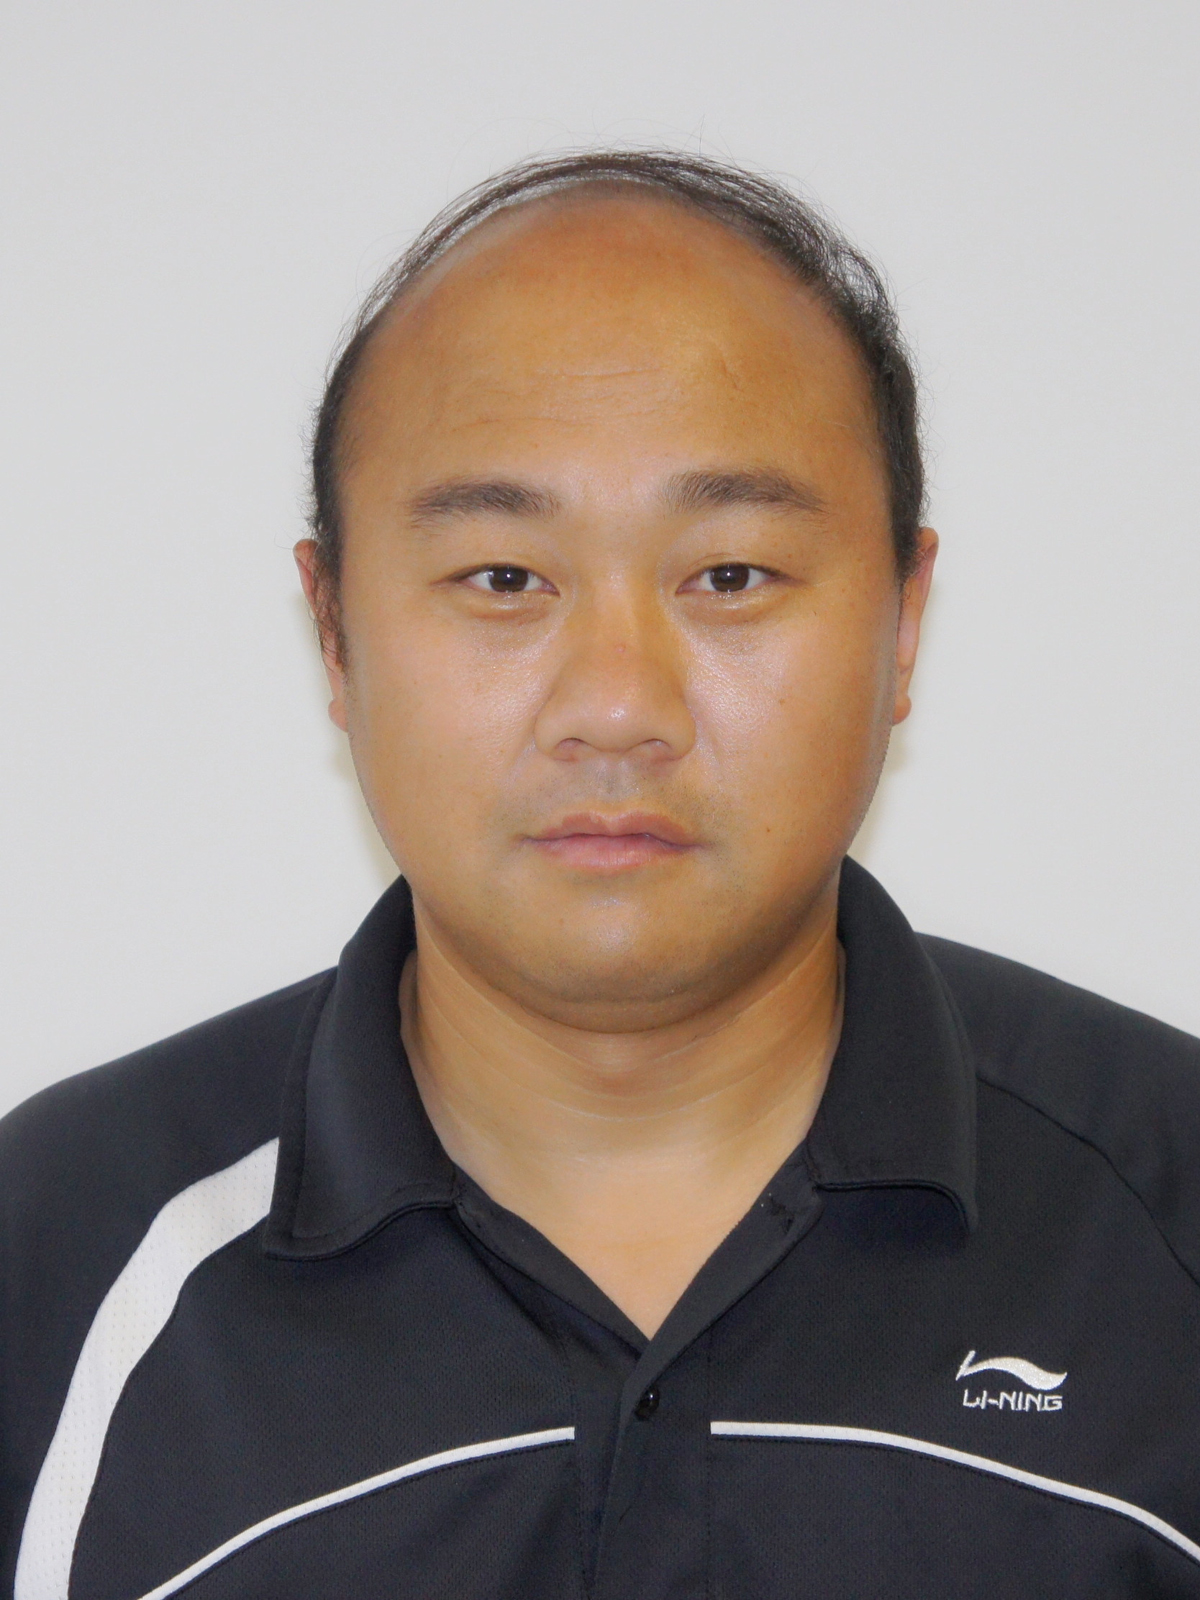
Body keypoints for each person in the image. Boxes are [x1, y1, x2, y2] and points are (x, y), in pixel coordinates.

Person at [3, 149, 1199, 1600]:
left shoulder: (1167, 1213)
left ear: (902, 623)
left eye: (730, 575)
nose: (619, 706)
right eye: (505, 579)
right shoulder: (51, 1262)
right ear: (334, 632)